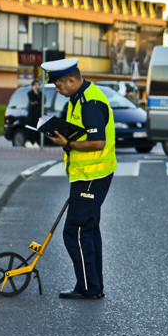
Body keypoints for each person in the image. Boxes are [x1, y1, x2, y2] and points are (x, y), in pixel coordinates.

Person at [41, 57, 117, 300]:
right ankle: (93, 286)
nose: (57, 89)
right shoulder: (78, 98)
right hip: (86, 174)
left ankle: (87, 288)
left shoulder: (90, 103)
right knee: (89, 230)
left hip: (93, 175)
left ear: (72, 80)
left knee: (75, 230)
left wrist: (68, 143)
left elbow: (98, 142)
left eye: (59, 85)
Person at [25, 80, 42, 147]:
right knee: (30, 127)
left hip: (38, 113)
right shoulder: (30, 93)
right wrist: (34, 102)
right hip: (31, 113)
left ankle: (35, 142)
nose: (36, 86)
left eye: (37, 85)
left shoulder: (40, 93)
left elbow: (41, 101)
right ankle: (28, 141)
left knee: (36, 127)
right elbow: (31, 100)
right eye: (35, 85)